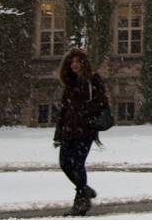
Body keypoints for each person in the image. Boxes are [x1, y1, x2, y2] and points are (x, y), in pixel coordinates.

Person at [53, 48, 109, 216]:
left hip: (85, 130)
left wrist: (84, 112)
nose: (74, 65)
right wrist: (58, 133)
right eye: (72, 62)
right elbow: (64, 110)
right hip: (69, 129)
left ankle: (81, 203)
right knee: (64, 163)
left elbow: (102, 102)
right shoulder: (69, 83)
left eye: (78, 61)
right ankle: (84, 190)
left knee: (77, 164)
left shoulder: (93, 80)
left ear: (84, 63)